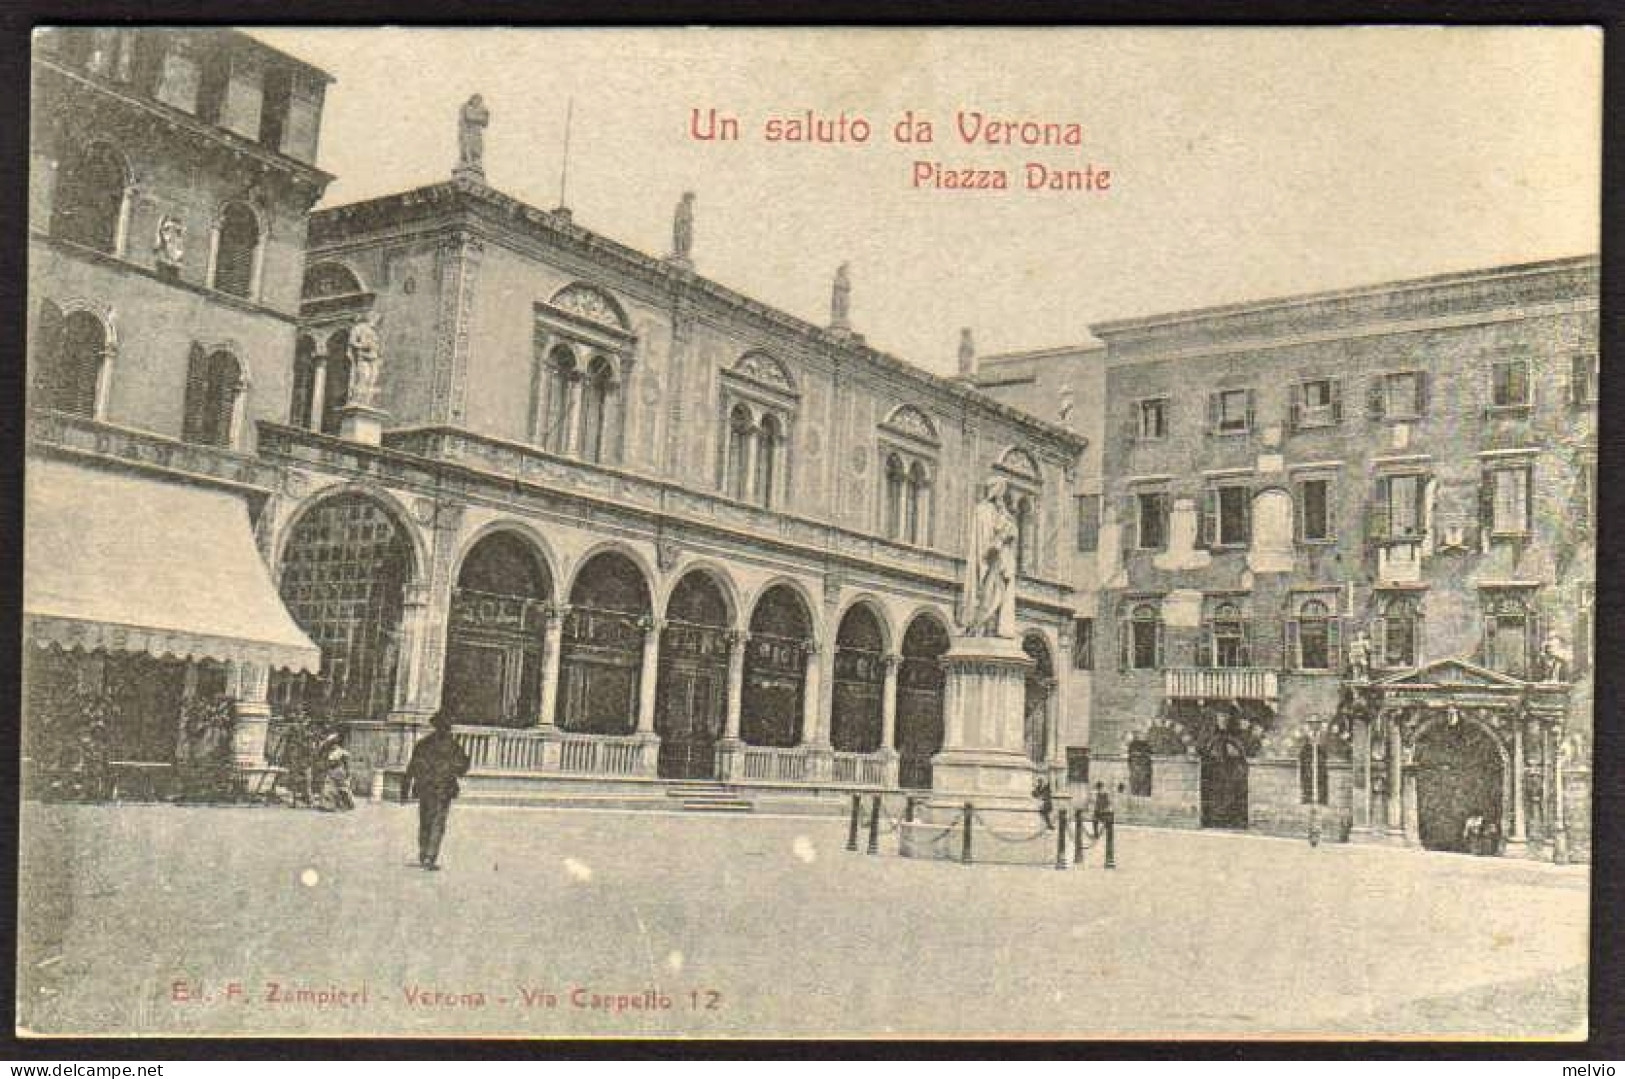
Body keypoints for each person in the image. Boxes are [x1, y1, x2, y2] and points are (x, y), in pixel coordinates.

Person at [403, 712, 471, 871]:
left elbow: (412, 767)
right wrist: (466, 762)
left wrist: (405, 789)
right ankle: (430, 857)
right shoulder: (453, 746)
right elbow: (461, 769)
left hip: (424, 788)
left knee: (425, 820)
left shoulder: (423, 744)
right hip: (443, 789)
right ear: (447, 728)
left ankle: (423, 852)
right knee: (437, 823)